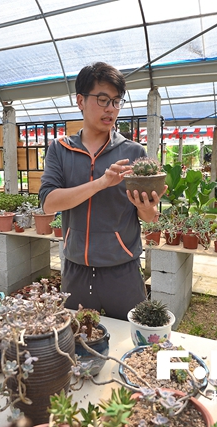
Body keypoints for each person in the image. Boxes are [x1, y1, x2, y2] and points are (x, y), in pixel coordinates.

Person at [39, 62, 165, 320]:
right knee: (78, 343)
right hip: (76, 270)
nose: (111, 109)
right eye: (103, 99)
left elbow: (150, 217)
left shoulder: (133, 152)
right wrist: (101, 183)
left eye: (117, 101)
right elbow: (49, 203)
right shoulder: (61, 150)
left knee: (132, 342)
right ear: (80, 101)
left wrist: (145, 207)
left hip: (123, 271)